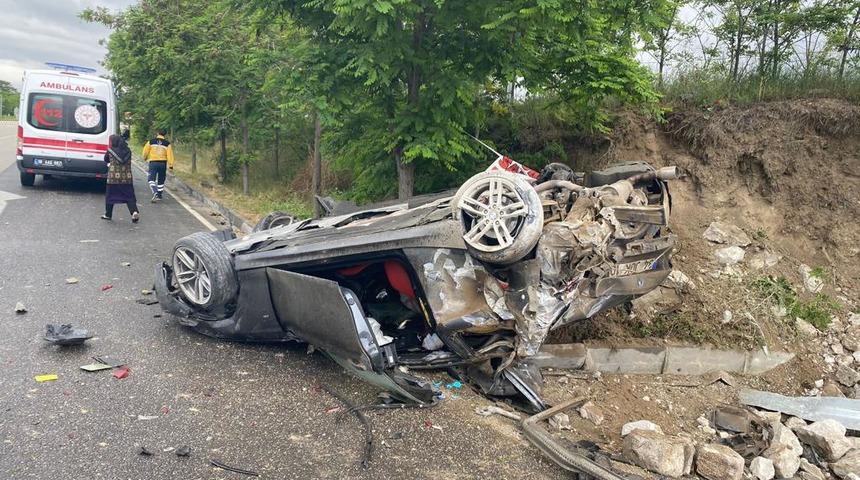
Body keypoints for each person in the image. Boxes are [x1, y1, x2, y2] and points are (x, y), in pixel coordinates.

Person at [101, 131, 140, 222]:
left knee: (110, 196)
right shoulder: (128, 151)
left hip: (113, 178)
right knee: (129, 196)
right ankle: (134, 212)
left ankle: (108, 214)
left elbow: (106, 159)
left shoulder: (110, 150)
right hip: (127, 178)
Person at [142, 129, 175, 202]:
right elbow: (170, 155)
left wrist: (144, 158)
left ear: (157, 133)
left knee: (151, 179)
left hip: (153, 163)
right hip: (163, 163)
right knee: (161, 179)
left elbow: (145, 151)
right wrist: (171, 166)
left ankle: (154, 191)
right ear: (165, 135)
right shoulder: (167, 143)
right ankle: (159, 195)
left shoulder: (151, 141)